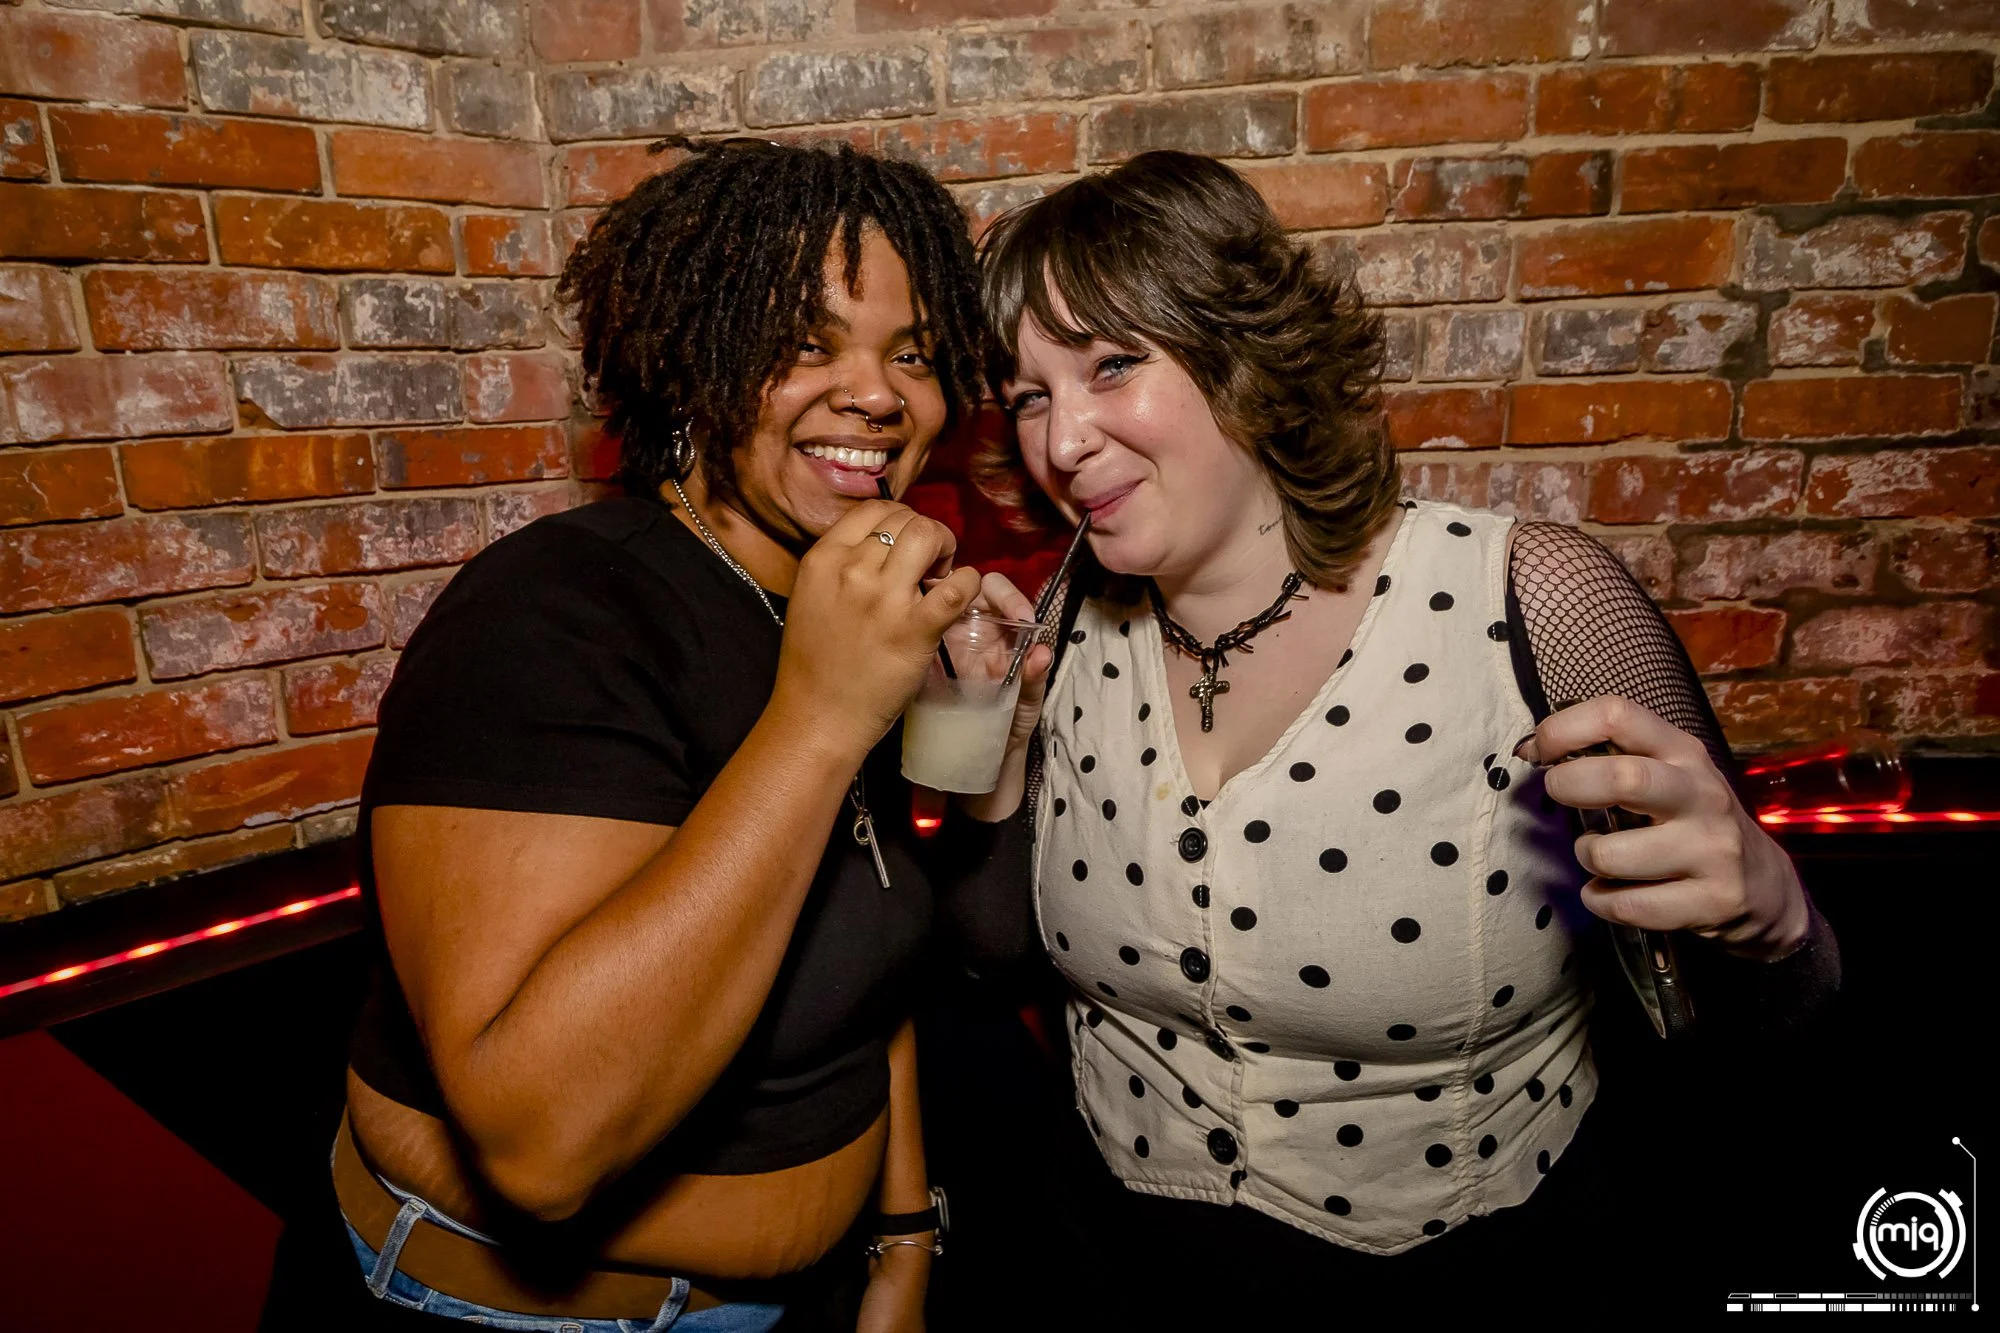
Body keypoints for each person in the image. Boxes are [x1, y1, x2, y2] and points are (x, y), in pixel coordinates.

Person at [945, 151, 1841, 1320]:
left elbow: (1763, 1023)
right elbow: (997, 948)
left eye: (1111, 365)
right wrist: (995, 748)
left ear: (1241, 354)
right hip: (1110, 1262)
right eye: (1028, 396)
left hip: (1468, 1280)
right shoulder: (1064, 618)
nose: (1061, 441)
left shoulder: (1528, 605)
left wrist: (1773, 922)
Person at [318, 138, 1010, 1332]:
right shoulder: (554, 613)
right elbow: (541, 1143)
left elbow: (864, 970)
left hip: (809, 1295)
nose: (879, 394)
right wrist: (823, 718)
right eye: (805, 343)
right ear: (694, 362)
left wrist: (901, 1244)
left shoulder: (831, 603)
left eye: (912, 354)